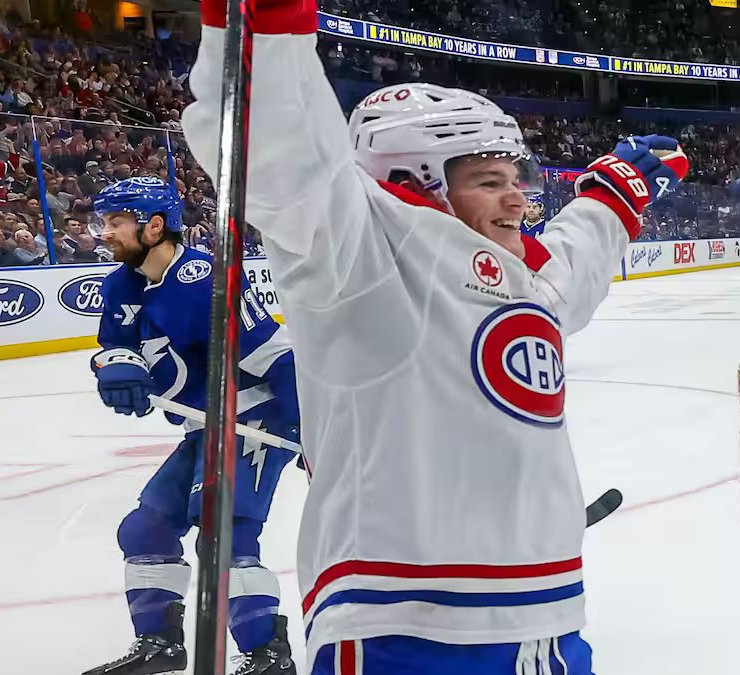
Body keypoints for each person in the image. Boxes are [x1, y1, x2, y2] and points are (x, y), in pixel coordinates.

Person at [182, 1, 689, 673]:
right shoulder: (361, 257)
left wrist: (611, 195)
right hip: (406, 626)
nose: (519, 200)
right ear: (414, 178)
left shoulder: (521, 277)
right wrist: (270, 23)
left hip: (551, 626)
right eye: (489, 181)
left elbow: (572, 264)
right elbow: (280, 144)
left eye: (517, 180)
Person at [83, 177, 301, 675]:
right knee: (146, 530)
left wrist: (309, 426)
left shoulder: (205, 278)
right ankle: (160, 645)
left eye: (116, 222)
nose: (105, 232)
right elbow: (115, 347)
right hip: (204, 428)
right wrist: (116, 367)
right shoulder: (121, 283)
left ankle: (269, 654)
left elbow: (275, 356)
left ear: (154, 226)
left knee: (223, 535)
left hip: (253, 418)